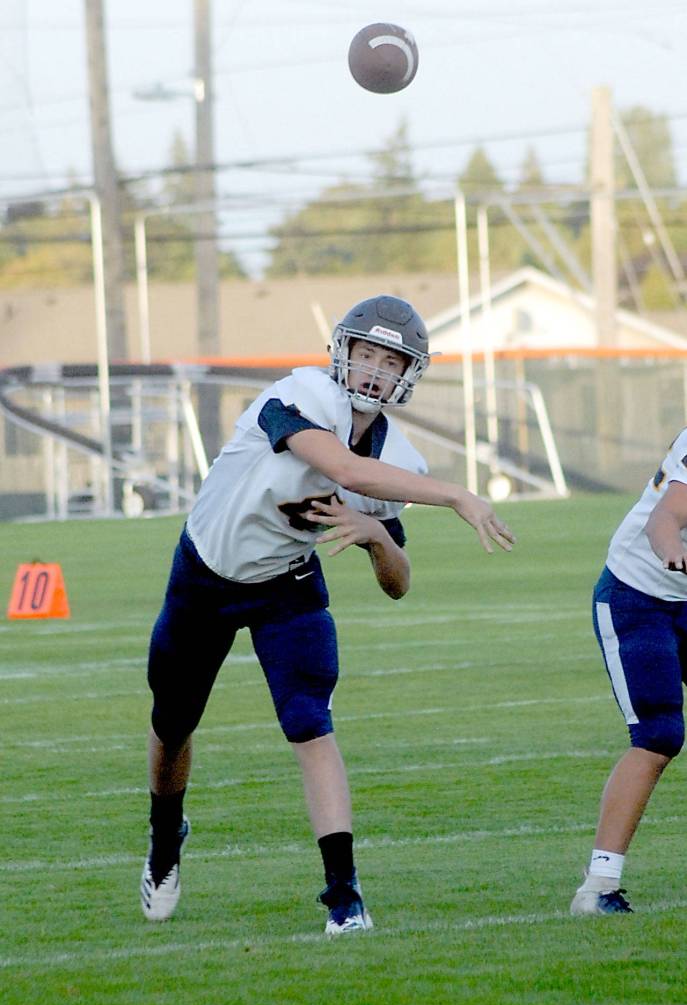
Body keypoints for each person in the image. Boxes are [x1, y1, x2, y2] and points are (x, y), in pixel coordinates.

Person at [140, 294, 515, 935]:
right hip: (207, 572)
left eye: (388, 360)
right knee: (172, 722)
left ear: (408, 374)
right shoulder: (301, 394)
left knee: (310, 723)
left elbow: (398, 584)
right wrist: (457, 492)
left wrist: (376, 538)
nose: (372, 371)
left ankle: (344, 893)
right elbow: (344, 469)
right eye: (364, 353)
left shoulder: (400, 457)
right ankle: (165, 834)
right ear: (342, 352)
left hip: (286, 581)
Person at [571, 430, 687, 915]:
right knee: (658, 734)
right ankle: (598, 887)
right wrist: (674, 555)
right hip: (639, 595)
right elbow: (667, 519)